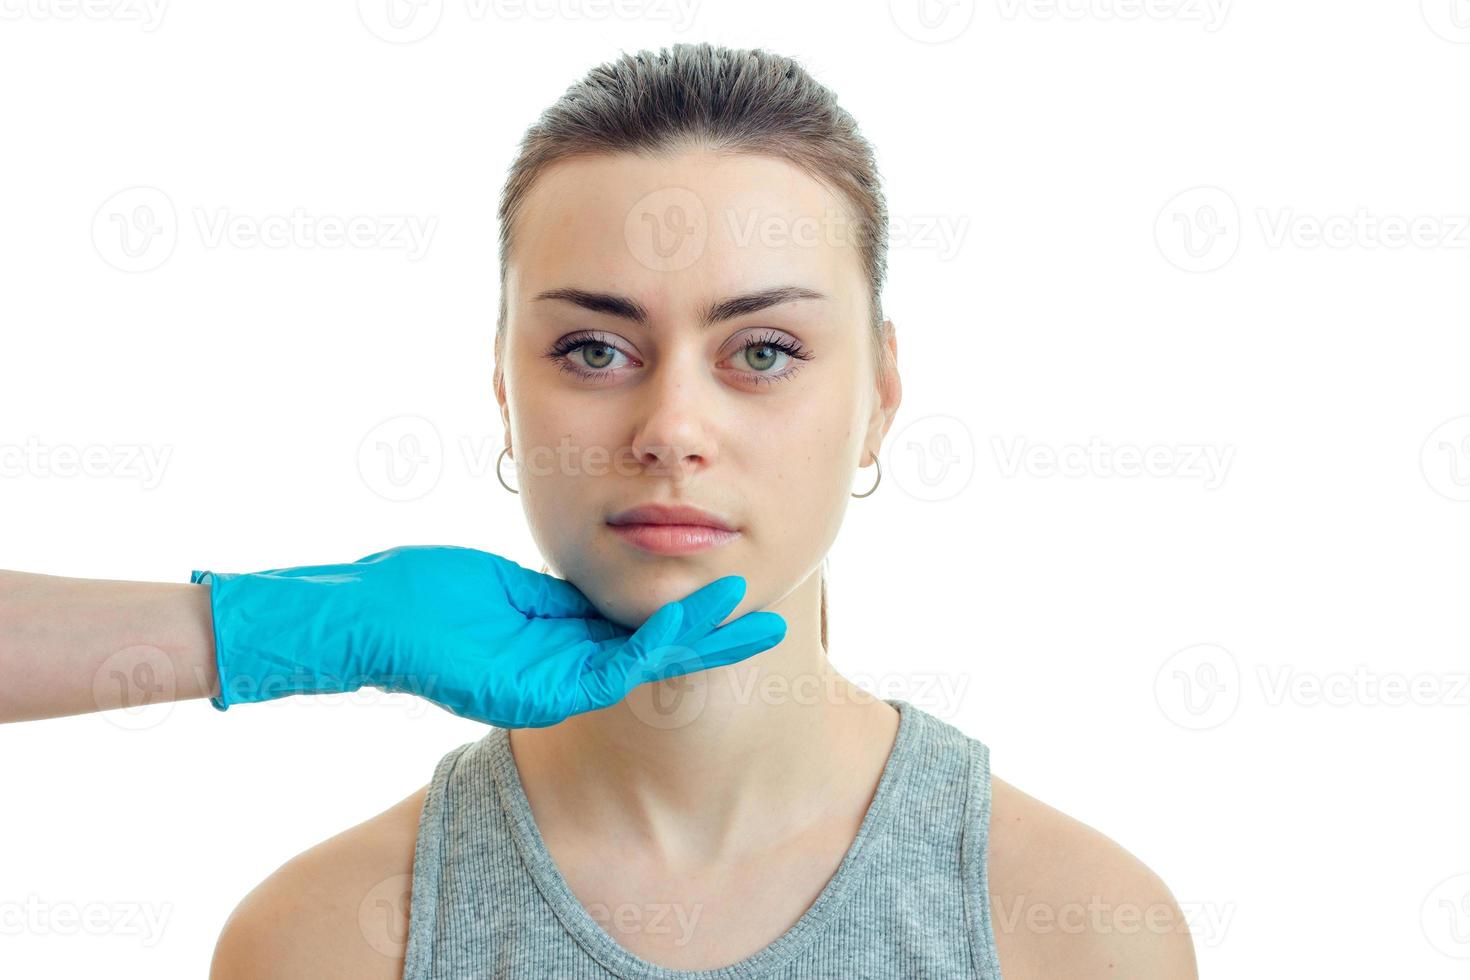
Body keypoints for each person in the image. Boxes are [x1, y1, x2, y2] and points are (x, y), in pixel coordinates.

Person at [204, 42, 1199, 979]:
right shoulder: (321, 938)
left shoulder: (1081, 928)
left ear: (881, 396)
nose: (672, 428)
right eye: (595, 348)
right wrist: (253, 630)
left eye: (762, 351)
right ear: (505, 389)